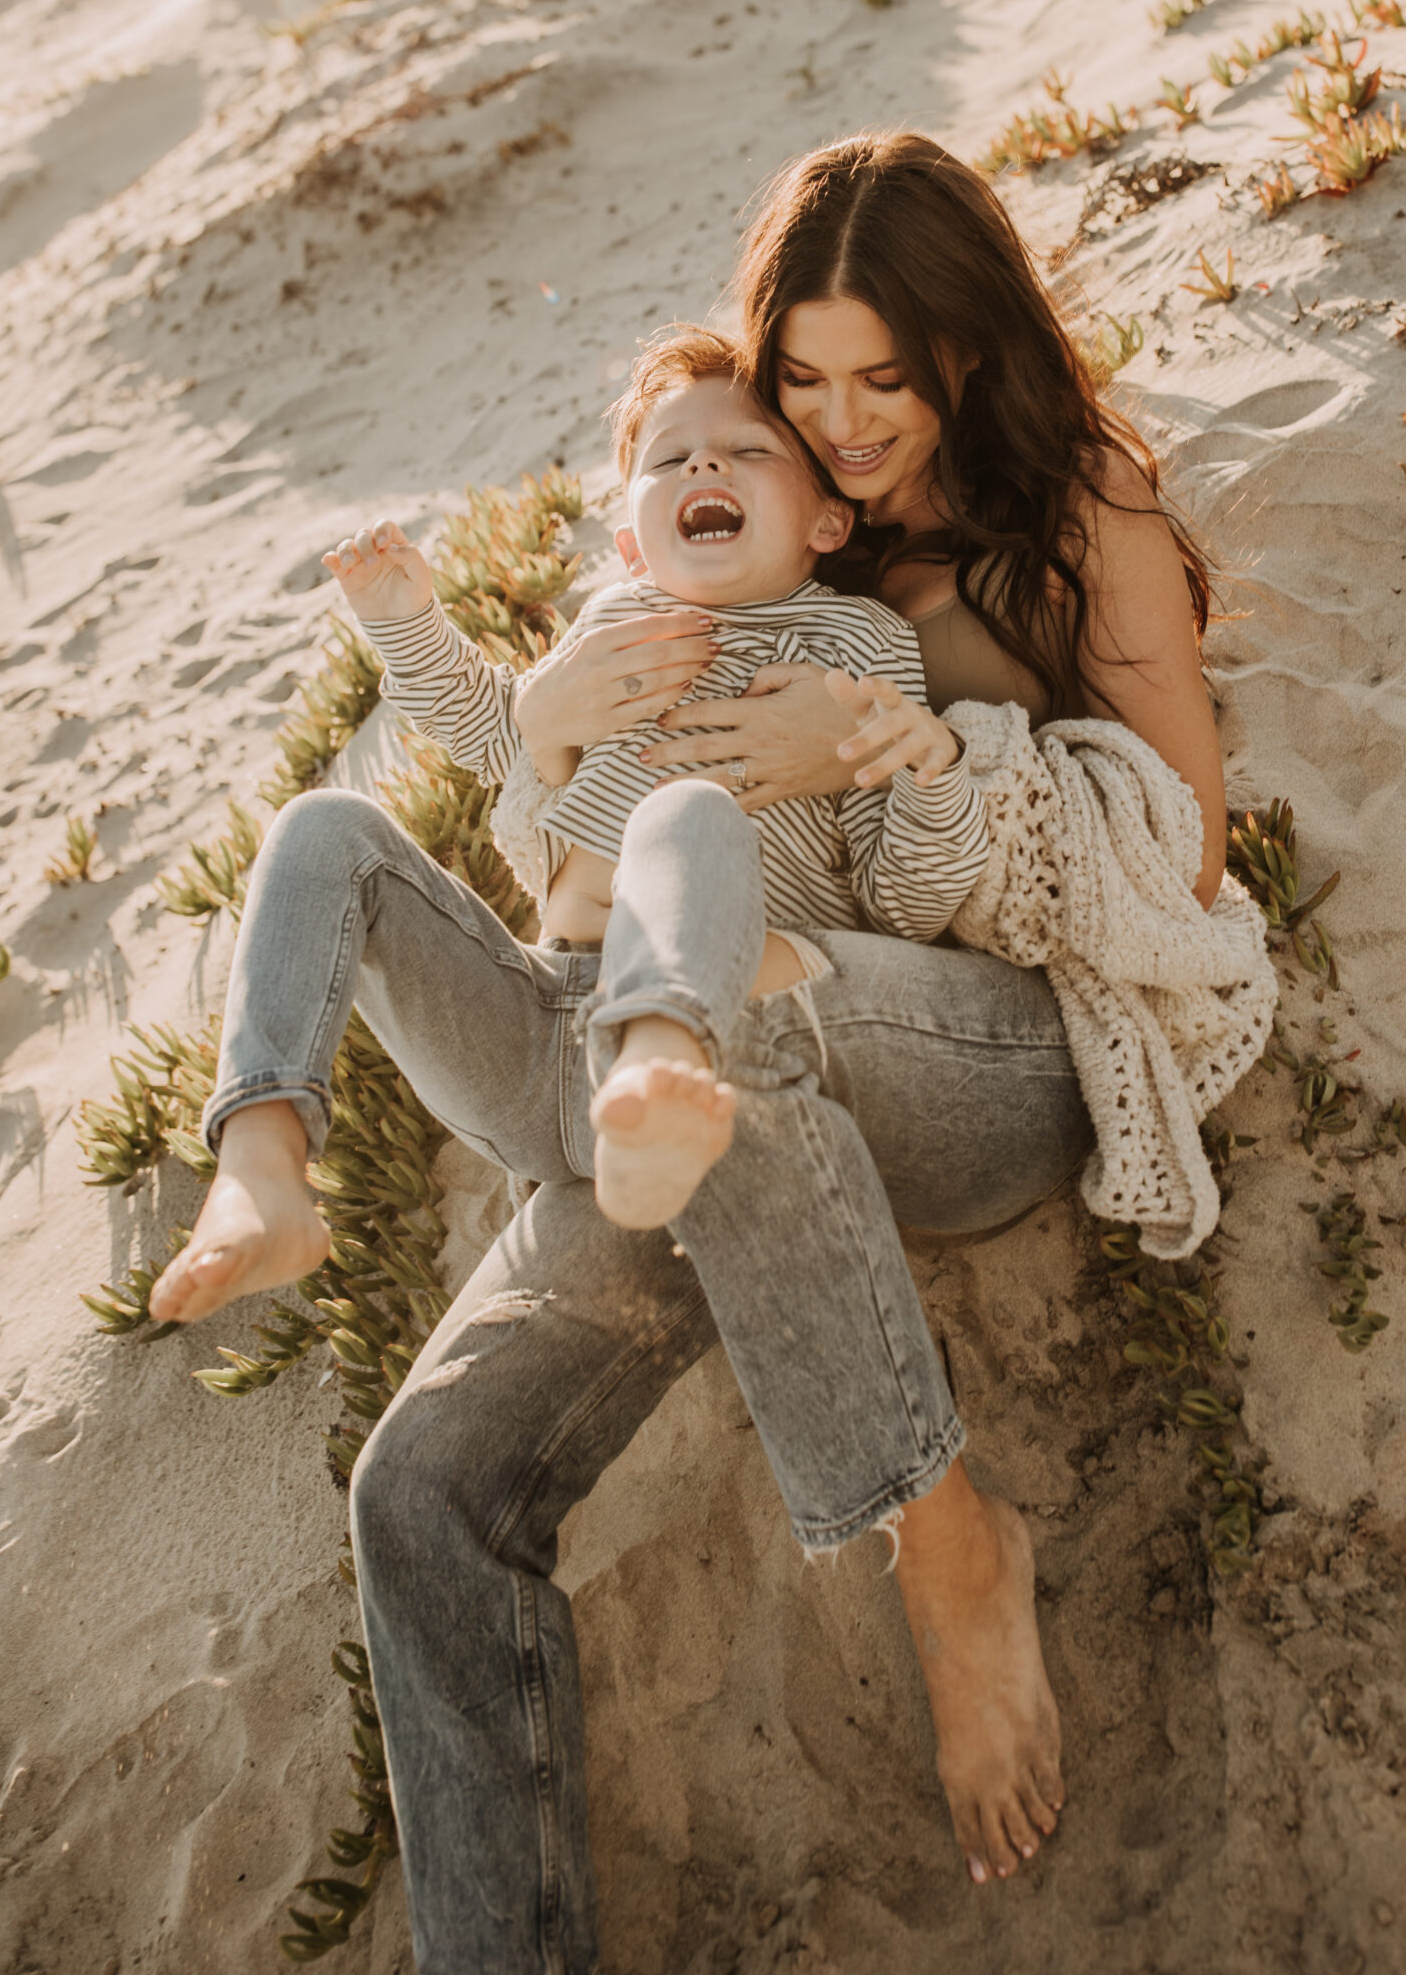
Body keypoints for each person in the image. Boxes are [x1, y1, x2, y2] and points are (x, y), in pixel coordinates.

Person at [149, 129, 1226, 1968]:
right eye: (802, 383)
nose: (842, 422)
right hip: (676, 1051)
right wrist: (544, 730)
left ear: (970, 352)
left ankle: (947, 1542)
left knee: (743, 975)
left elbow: (1172, 858)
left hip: (943, 1038)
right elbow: (566, 845)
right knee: (421, 1492)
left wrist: (907, 753)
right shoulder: (720, 539)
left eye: (879, 380)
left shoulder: (1064, 525)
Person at [324, 321, 988, 1227]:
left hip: (735, 986)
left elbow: (901, 897)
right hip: (559, 992)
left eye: (746, 450)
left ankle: (659, 1092)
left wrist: (929, 776)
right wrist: (406, 622)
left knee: (686, 820)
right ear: (633, 539)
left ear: (828, 519)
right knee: (328, 834)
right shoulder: (612, 623)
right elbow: (498, 739)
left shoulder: (855, 641)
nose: (702, 469)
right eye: (668, 461)